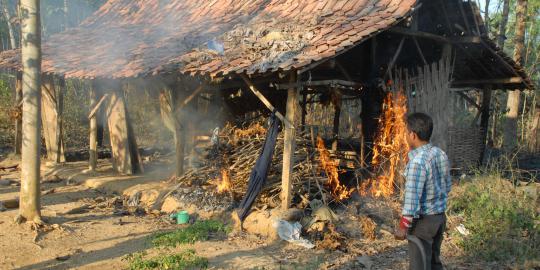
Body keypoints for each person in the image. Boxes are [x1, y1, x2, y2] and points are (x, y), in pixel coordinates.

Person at [394, 113, 452, 270]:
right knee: (434, 263)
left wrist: (403, 226)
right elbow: (447, 186)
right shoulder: (440, 154)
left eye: (406, 132)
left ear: (413, 135)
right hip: (439, 219)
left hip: (423, 223)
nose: (405, 136)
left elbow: (412, 200)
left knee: (419, 266)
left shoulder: (417, 162)